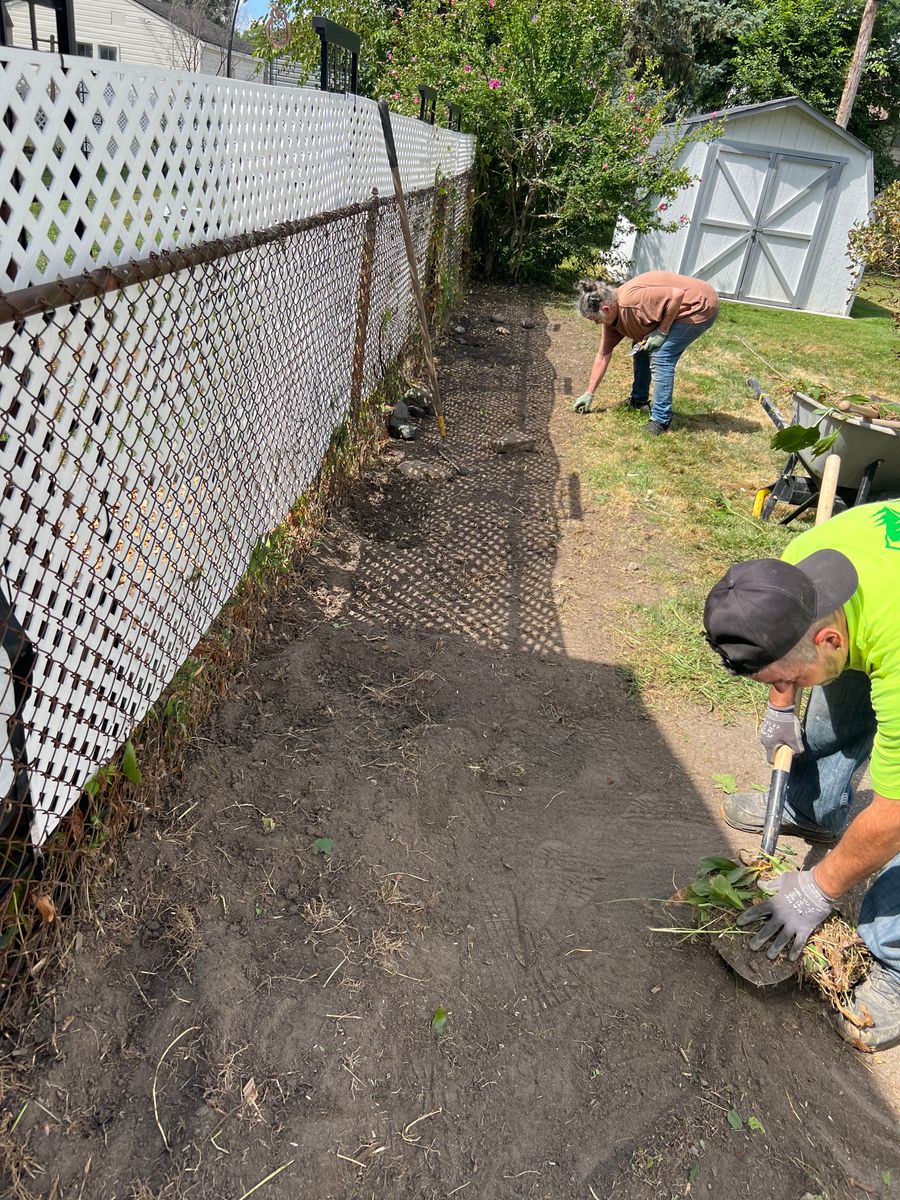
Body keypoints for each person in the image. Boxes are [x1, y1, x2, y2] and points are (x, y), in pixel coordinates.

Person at [702, 499, 900, 1051]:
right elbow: (795, 656)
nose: (781, 687)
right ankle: (815, 807)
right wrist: (782, 703)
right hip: (875, 617)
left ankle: (895, 962)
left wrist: (817, 889)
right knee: (832, 678)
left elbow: (895, 814)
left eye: (785, 679)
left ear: (827, 637)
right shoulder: (798, 569)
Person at [574, 272, 719, 435]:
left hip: (700, 304)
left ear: (606, 309)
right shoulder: (612, 317)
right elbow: (603, 355)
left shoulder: (631, 303)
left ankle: (661, 421)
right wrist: (589, 393)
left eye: (596, 319)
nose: (596, 323)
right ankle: (639, 400)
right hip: (679, 303)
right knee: (642, 346)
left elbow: (677, 295)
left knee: (661, 356)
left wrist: (662, 331)